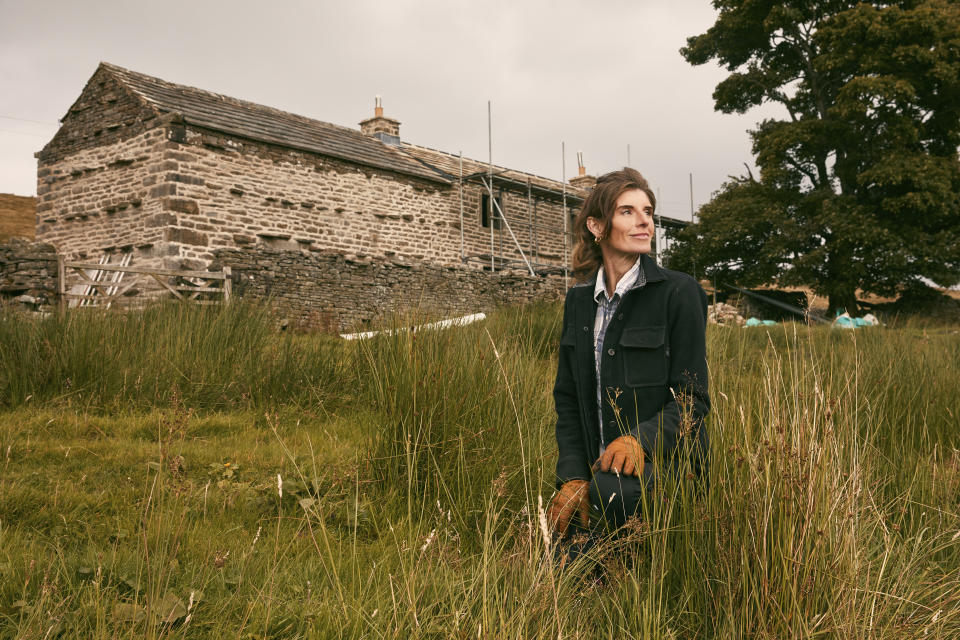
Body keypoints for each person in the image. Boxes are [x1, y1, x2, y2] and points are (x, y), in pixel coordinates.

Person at [547, 167, 710, 554]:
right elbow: (568, 400)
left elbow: (693, 401)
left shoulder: (679, 293)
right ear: (597, 227)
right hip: (598, 471)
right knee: (561, 547)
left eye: (648, 212)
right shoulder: (578, 302)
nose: (644, 222)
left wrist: (640, 441)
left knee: (610, 496)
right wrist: (570, 477)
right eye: (627, 212)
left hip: (665, 471)